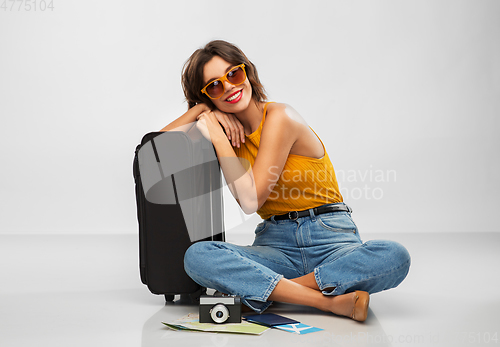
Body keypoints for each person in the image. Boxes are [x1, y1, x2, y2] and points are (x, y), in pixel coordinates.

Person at [161, 40, 410, 322]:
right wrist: (201, 112)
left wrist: (215, 134)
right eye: (215, 86)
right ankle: (327, 301)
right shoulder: (222, 129)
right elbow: (157, 153)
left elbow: (250, 199)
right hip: (276, 247)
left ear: (248, 72)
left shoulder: (280, 116)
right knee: (198, 256)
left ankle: (270, 291)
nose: (229, 86)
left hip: (330, 239)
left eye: (234, 74)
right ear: (207, 96)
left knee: (394, 256)